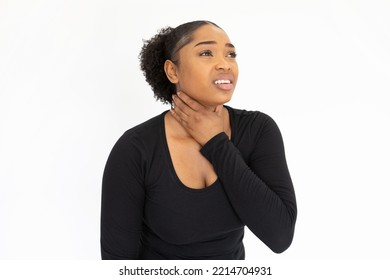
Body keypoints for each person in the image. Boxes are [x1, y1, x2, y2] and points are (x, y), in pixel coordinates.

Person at [100, 20, 297, 260]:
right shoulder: (135, 148)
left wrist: (216, 141)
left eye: (231, 54)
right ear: (173, 71)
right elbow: (117, 263)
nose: (225, 64)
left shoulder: (258, 130)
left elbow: (280, 237)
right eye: (206, 53)